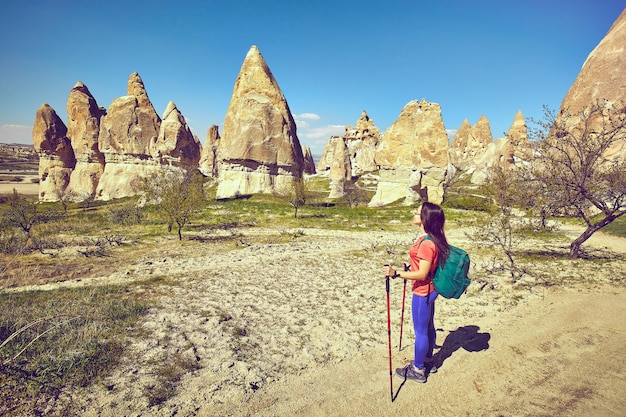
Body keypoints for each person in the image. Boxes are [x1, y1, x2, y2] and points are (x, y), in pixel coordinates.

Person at [383, 201, 450, 383]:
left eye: (418, 212)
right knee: (428, 327)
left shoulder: (427, 243)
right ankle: (429, 361)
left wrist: (396, 273)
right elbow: (421, 266)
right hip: (430, 290)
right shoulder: (429, 238)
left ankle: (418, 369)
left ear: (425, 219)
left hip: (423, 292)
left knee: (421, 331)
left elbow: (422, 273)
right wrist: (410, 266)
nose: (414, 213)